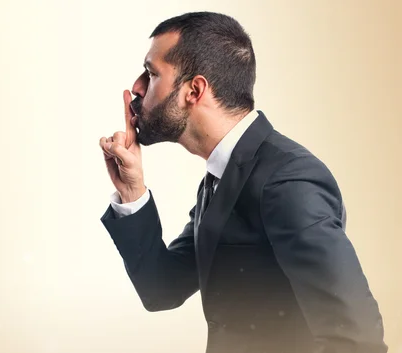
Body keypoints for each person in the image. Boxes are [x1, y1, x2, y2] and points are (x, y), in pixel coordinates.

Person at [98, 11, 387, 353]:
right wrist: (132, 192)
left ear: (194, 90)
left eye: (151, 73)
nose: (137, 88)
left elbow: (357, 338)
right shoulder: (222, 175)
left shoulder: (287, 179)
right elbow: (162, 288)